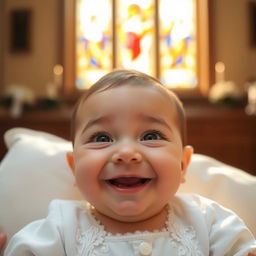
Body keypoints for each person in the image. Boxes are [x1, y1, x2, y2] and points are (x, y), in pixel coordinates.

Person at [4, 70, 256, 255]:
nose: (126, 152)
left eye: (151, 136)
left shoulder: (208, 221)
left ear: (183, 164)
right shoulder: (60, 227)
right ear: (74, 167)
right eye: (101, 137)